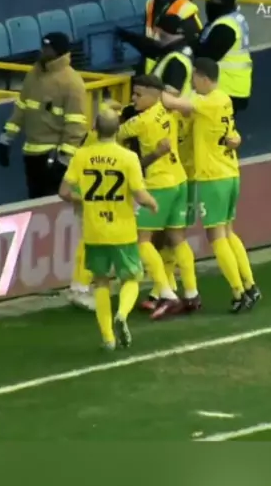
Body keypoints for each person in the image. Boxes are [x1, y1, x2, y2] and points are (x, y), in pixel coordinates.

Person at [161, 58, 261, 313]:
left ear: (204, 78)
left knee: (215, 237)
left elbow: (173, 102)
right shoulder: (224, 99)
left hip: (213, 177)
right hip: (230, 172)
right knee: (228, 232)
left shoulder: (207, 102)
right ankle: (250, 285)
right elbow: (233, 135)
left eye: (194, 78)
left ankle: (238, 292)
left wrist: (155, 91)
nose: (192, 83)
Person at [59, 109, 158, 350]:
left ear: (94, 128)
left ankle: (107, 338)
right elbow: (139, 194)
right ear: (117, 130)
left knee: (101, 282)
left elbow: (63, 192)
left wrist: (83, 200)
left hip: (94, 230)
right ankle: (121, 314)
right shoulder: (128, 157)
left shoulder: (81, 155)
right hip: (122, 230)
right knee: (132, 278)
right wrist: (152, 203)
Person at [70, 100, 170, 312]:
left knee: (89, 240)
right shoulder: (113, 148)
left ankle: (84, 288)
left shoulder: (93, 142)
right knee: (90, 241)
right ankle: (81, 289)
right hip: (97, 197)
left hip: (92, 195)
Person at [117, 74, 200, 319]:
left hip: (159, 184)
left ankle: (166, 294)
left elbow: (115, 133)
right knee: (178, 239)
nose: (133, 99)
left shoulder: (140, 122)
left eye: (138, 95)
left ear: (153, 95)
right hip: (180, 180)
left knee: (142, 240)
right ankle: (192, 293)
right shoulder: (168, 110)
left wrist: (112, 115)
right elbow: (183, 105)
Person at [0, 32, 87, 198]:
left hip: (53, 156)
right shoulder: (33, 74)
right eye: (43, 46)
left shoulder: (72, 82)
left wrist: (63, 160)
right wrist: (6, 139)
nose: (43, 50)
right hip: (31, 155)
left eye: (48, 47)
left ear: (58, 51)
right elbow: (21, 108)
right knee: (35, 200)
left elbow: (76, 126)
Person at [127, 0, 201, 74]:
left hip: (171, 64)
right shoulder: (151, 1)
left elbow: (192, 38)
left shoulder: (185, 5)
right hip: (150, 61)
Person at [192, 0, 253, 116]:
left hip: (227, 88)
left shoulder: (226, 26)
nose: (209, 2)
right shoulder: (233, 18)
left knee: (215, 128)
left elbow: (207, 56)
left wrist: (190, 42)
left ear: (224, 2)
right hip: (233, 87)